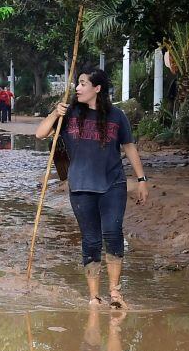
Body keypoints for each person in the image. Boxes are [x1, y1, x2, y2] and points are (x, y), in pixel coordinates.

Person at [36, 67, 147, 308]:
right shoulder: (69, 114)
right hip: (80, 187)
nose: (77, 87)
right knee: (91, 240)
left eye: (83, 83)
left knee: (113, 234)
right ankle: (94, 296)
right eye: (77, 83)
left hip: (113, 185)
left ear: (97, 88)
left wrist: (141, 180)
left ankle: (115, 293)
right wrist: (56, 113)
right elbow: (40, 134)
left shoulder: (117, 116)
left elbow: (129, 148)